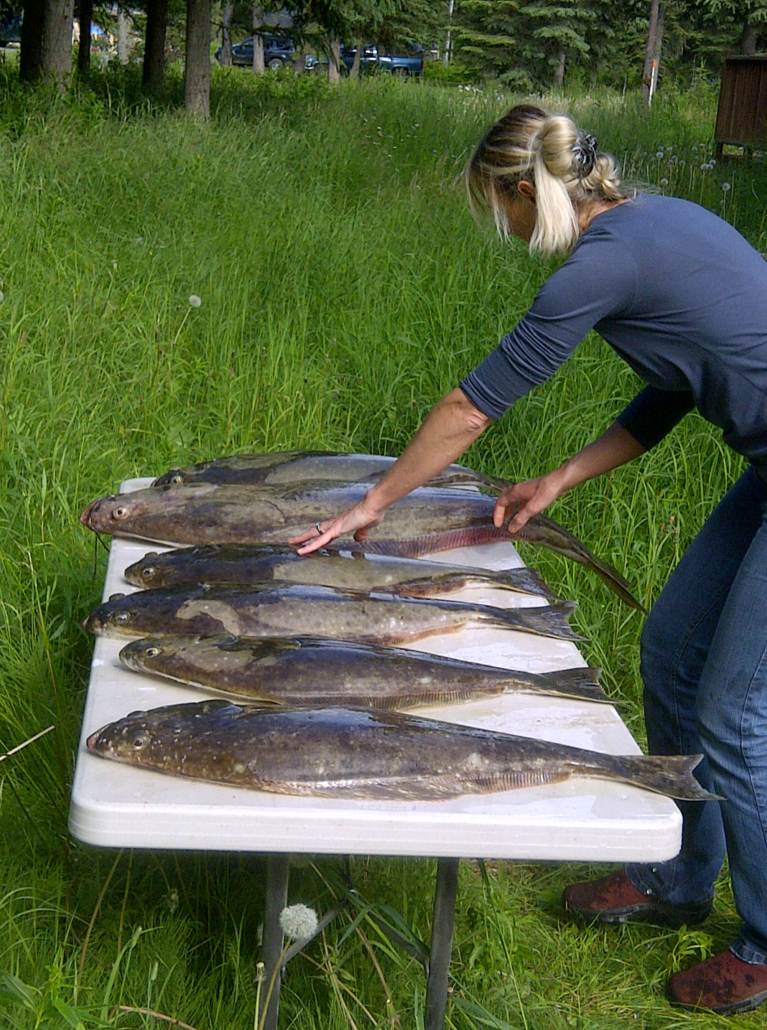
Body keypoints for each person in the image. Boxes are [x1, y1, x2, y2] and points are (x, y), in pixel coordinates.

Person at [288, 103, 767, 1014]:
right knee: (670, 651)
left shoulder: (603, 262)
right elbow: (677, 384)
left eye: (496, 207)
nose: (502, 228)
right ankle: (675, 878)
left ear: (526, 190)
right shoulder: (658, 220)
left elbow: (473, 409)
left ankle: (764, 941)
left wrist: (375, 502)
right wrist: (559, 478)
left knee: (736, 714)